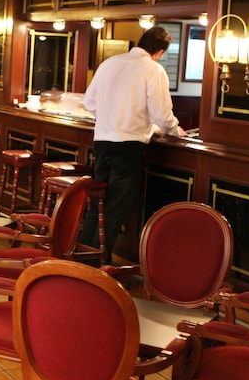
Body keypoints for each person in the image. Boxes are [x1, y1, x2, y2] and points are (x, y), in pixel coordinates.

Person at [78, 26, 187, 255]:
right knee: (116, 207)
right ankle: (95, 264)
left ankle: (80, 257)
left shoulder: (109, 63)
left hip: (102, 142)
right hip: (129, 147)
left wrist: (111, 116)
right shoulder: (153, 69)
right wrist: (175, 131)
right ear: (159, 52)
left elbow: (89, 103)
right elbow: (161, 114)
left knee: (98, 204)